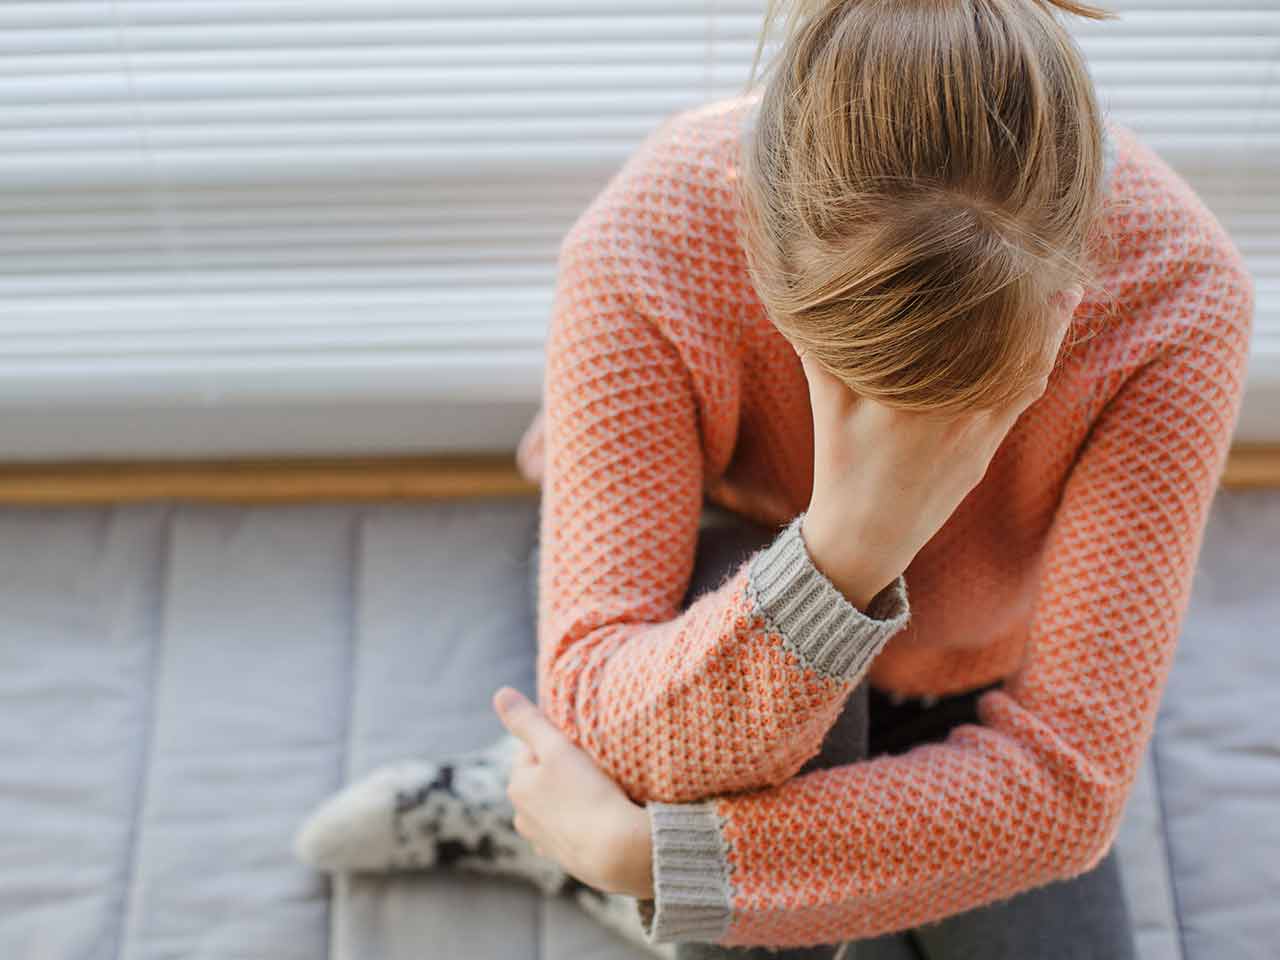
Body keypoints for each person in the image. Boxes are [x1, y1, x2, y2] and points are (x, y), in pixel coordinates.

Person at [293, 0, 1255, 957]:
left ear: (1075, 283)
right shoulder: (650, 237)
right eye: (857, 386)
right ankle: (567, 835)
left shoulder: (1180, 297)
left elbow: (1068, 791)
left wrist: (646, 856)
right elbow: (600, 709)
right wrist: (849, 543)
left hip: (975, 664)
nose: (918, 439)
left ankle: (588, 855)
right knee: (753, 884)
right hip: (723, 589)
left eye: (968, 410)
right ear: (757, 237)